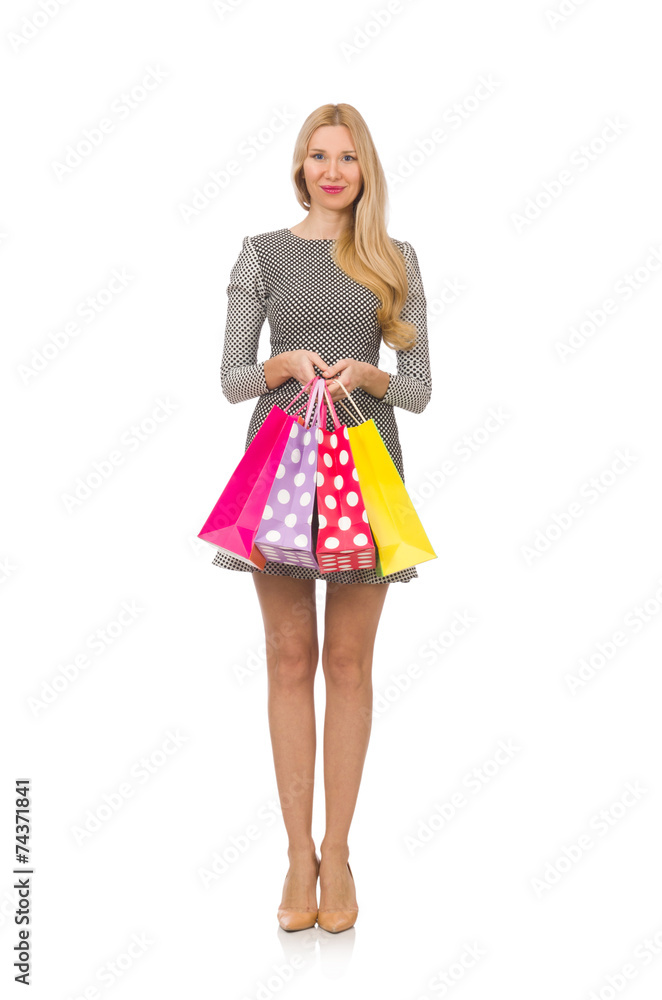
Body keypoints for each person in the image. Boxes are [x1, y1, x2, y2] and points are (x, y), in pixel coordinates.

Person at [212, 103, 432, 932]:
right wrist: (284, 363)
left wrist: (368, 380)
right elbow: (233, 378)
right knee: (287, 656)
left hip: (367, 467)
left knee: (347, 662)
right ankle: (295, 854)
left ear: (365, 169)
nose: (332, 169)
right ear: (300, 165)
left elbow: (420, 388)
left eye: (347, 156)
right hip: (278, 466)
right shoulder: (261, 254)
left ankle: (338, 851)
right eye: (318, 155)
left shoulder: (393, 258)